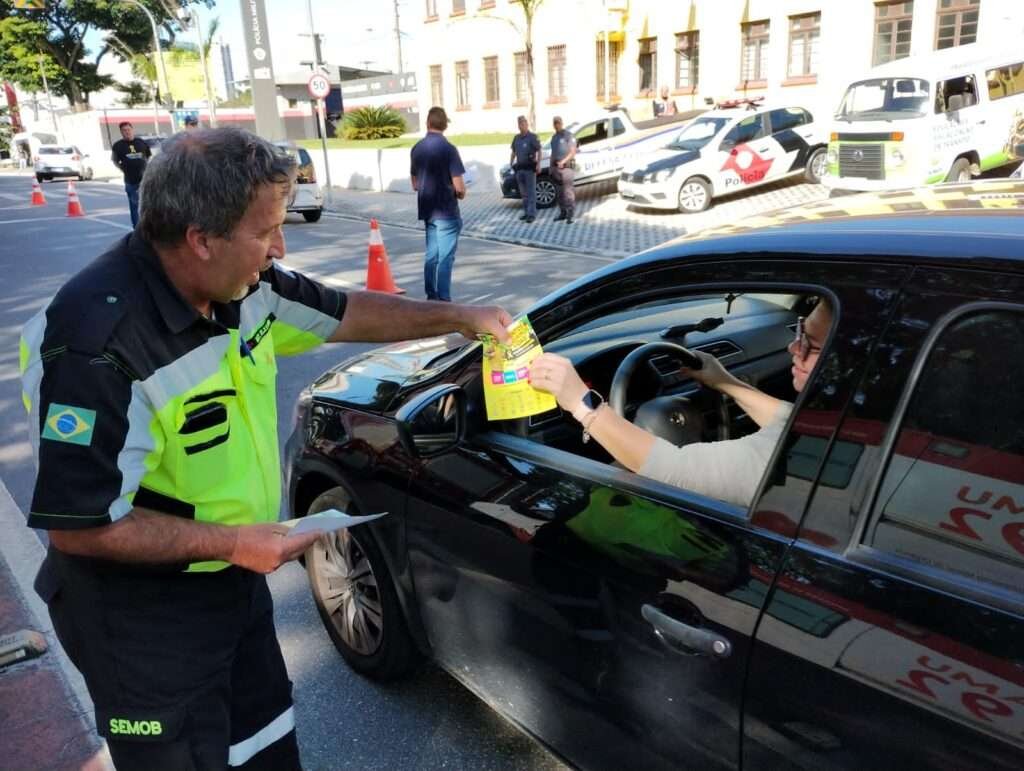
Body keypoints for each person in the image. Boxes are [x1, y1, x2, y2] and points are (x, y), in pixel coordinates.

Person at [20, 127, 511, 770]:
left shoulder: (248, 287)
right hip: (139, 617)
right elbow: (80, 527)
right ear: (201, 239)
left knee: (264, 745)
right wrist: (234, 542)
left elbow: (344, 312)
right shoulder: (96, 347)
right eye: (267, 232)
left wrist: (461, 318)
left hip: (232, 582)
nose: (280, 248)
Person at [531, 299, 832, 508]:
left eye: (812, 344)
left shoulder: (784, 460)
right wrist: (723, 381)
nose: (793, 347)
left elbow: (673, 468)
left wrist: (581, 404)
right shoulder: (836, 422)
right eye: (800, 331)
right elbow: (788, 422)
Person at [410, 106, 466, 301]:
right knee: (445, 258)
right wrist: (461, 193)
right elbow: (459, 187)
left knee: (431, 255)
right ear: (444, 125)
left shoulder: (416, 149)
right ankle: (444, 300)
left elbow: (415, 184)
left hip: (428, 211)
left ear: (428, 123)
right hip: (447, 212)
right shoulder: (449, 150)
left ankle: (431, 296)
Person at [110, 121, 152, 227]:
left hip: (145, 180)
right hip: (131, 181)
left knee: (148, 205)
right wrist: (122, 169)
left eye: (128, 130)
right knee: (135, 206)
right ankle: (137, 229)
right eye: (124, 130)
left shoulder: (141, 142)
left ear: (132, 130)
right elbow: (114, 160)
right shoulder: (118, 146)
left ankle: (149, 227)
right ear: (121, 132)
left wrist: (146, 167)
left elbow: (148, 156)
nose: (127, 132)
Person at [510, 115, 542, 223]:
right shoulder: (516, 138)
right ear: (518, 125)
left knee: (531, 192)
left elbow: (539, 150)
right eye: (520, 124)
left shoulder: (532, 137)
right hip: (520, 169)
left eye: (523, 123)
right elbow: (513, 151)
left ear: (527, 124)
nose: (522, 125)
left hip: (529, 169)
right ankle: (526, 212)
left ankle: (531, 214)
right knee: (523, 193)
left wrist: (538, 164)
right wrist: (511, 162)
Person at [549, 116, 577, 224]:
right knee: (560, 192)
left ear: (562, 123)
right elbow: (553, 153)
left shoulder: (568, 136)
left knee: (568, 192)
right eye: (555, 123)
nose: (557, 125)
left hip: (567, 168)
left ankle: (571, 214)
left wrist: (563, 162)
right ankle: (563, 213)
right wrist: (551, 167)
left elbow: (573, 152)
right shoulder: (554, 138)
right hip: (556, 168)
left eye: (558, 123)